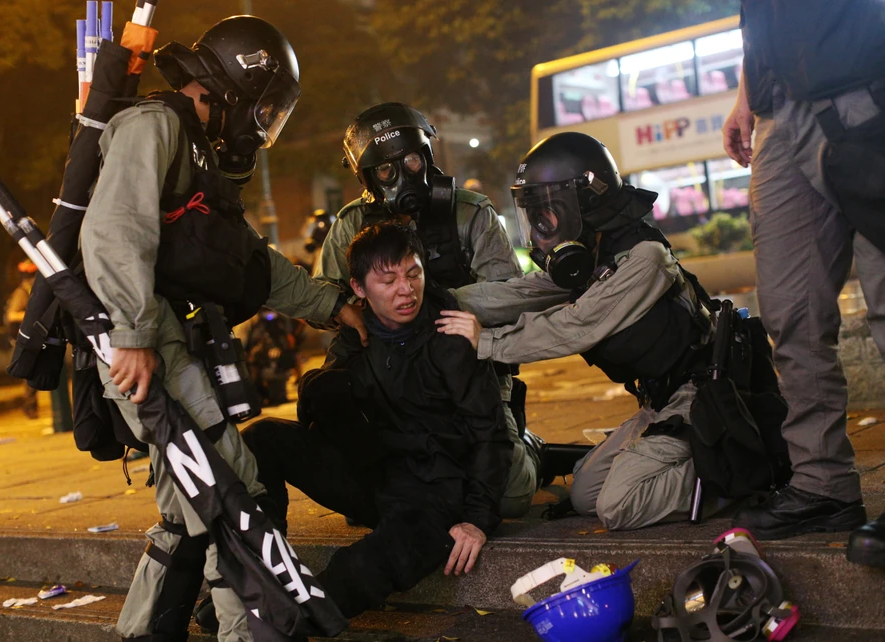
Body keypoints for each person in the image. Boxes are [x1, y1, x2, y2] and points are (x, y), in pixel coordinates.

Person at [80, 16, 365, 642]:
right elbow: (112, 232)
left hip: (162, 340)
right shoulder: (153, 126)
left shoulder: (195, 149)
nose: (263, 123)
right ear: (236, 88)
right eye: (266, 106)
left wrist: (330, 304)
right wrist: (132, 336)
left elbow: (247, 262)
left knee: (187, 509)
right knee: (236, 493)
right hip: (144, 343)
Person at [437, 132, 717, 531]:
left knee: (618, 506)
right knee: (586, 494)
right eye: (534, 213)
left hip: (700, 399)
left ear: (585, 200)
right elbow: (521, 293)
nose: (539, 227)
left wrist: (486, 341)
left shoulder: (644, 259)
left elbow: (575, 325)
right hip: (660, 401)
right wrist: (439, 302)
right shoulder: (593, 255)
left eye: (547, 211)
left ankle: (729, 474)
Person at [240, 222, 512, 618]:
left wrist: (477, 519)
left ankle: (290, 616)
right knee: (262, 437)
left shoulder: (450, 334)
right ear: (359, 288)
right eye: (388, 280)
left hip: (433, 493)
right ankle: (259, 571)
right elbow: (319, 413)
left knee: (361, 570)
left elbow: (492, 434)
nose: (406, 289)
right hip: (373, 475)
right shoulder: (357, 333)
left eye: (414, 273)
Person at [315, 102, 567, 519]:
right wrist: (346, 307)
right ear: (367, 177)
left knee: (510, 498)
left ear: (428, 156)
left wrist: (442, 304)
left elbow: (510, 296)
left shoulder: (470, 213)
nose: (404, 176)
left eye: (412, 160)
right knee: (367, 500)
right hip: (391, 377)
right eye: (386, 170)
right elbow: (321, 300)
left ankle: (530, 449)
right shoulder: (351, 225)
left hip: (466, 372)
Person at [723, 0, 884, 551]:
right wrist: (746, 96)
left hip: (864, 84)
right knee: (791, 313)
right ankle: (824, 484)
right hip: (776, 112)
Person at [5, 259, 39, 418]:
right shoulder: (22, 292)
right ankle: (29, 407)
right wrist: (33, 315)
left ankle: (31, 406)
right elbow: (12, 315)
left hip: (30, 338)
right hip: (22, 339)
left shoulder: (31, 291)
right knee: (30, 373)